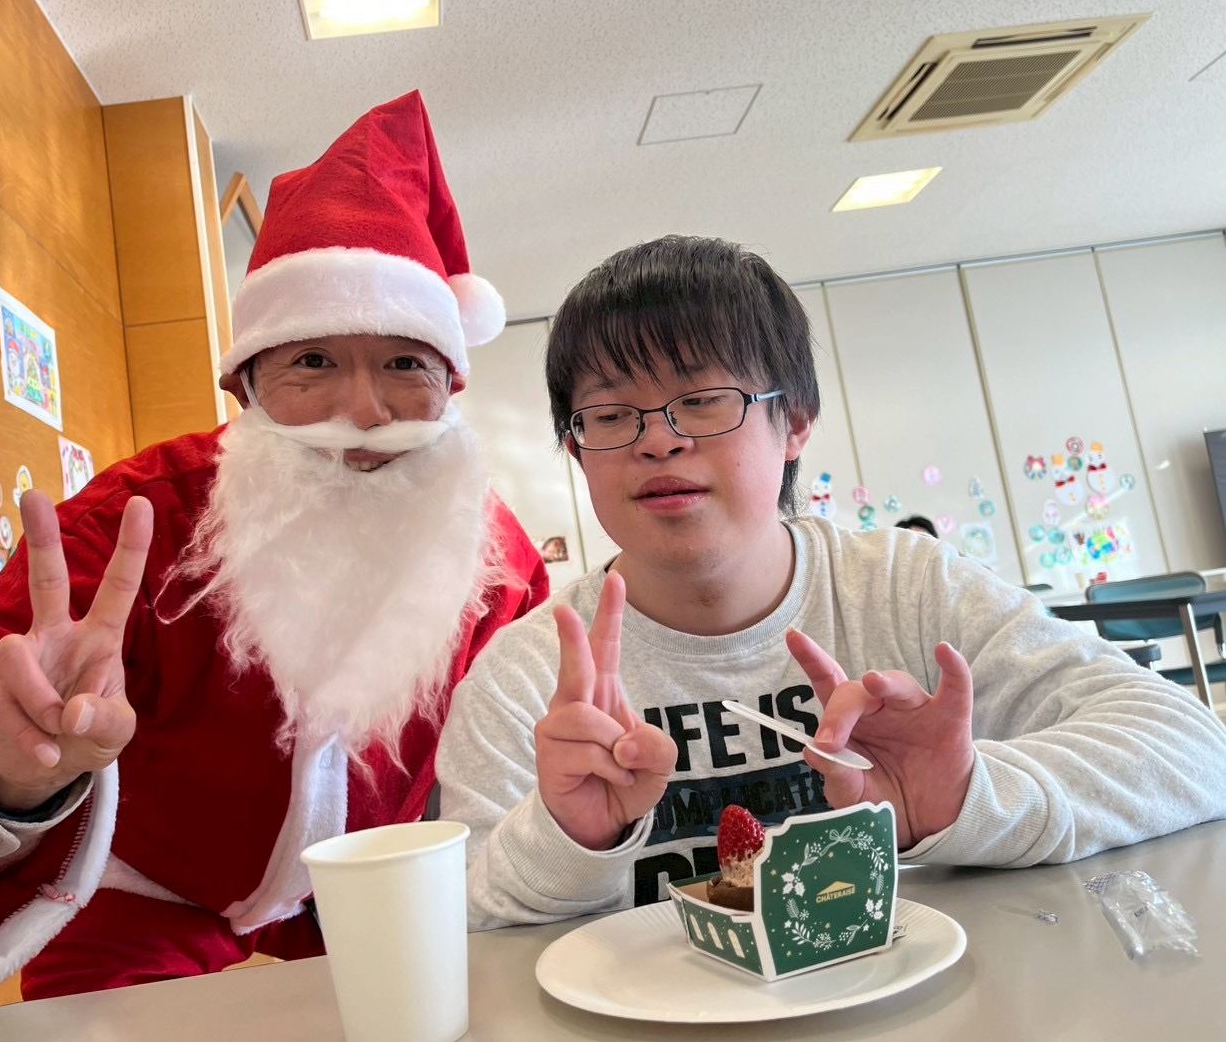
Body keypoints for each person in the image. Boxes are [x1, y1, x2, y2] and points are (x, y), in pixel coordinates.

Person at [0, 92, 549, 996]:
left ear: (451, 384)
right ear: (245, 383)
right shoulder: (129, 524)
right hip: (142, 892)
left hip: (377, 892)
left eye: (404, 363)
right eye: (313, 361)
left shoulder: (497, 563)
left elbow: (517, 757)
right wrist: (16, 780)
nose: (365, 411)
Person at [435, 234, 1226, 928]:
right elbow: (459, 916)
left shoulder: (908, 589)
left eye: (702, 401)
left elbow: (1192, 749)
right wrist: (568, 840)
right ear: (576, 449)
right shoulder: (526, 677)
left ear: (795, 421)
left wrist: (966, 799)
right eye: (610, 415)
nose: (657, 442)